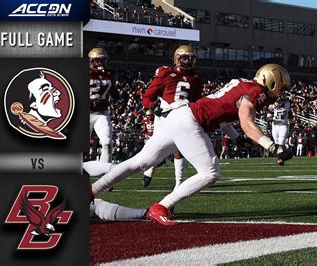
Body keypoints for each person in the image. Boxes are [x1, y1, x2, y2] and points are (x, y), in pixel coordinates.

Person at [89, 63, 294, 225]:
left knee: (140, 161)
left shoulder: (242, 84)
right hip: (191, 121)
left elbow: (221, 114)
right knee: (210, 172)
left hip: (180, 117)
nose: (281, 92)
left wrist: (237, 138)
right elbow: (246, 122)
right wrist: (272, 146)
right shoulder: (255, 91)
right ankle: (162, 207)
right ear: (272, 80)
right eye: (281, 87)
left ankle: (92, 190)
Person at [141, 45, 203, 189]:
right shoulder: (165, 72)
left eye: (191, 58)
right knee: (156, 151)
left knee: (179, 147)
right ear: (176, 58)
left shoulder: (197, 78)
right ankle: (150, 167)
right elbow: (147, 98)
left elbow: (196, 100)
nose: (188, 61)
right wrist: (153, 107)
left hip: (183, 116)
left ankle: (179, 183)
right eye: (185, 58)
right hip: (164, 116)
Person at [89, 48, 117, 192]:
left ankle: (106, 178)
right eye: (97, 60)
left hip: (101, 113)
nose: (101, 63)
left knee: (107, 142)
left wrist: (118, 100)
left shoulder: (110, 74)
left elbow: (114, 93)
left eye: (103, 60)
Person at [266, 97, 291, 165]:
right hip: (275, 126)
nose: (280, 102)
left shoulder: (287, 104)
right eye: (279, 101)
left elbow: (290, 113)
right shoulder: (273, 106)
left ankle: (281, 159)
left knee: (281, 142)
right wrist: (273, 118)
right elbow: (267, 119)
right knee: (277, 143)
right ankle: (282, 157)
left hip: (283, 125)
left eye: (281, 100)